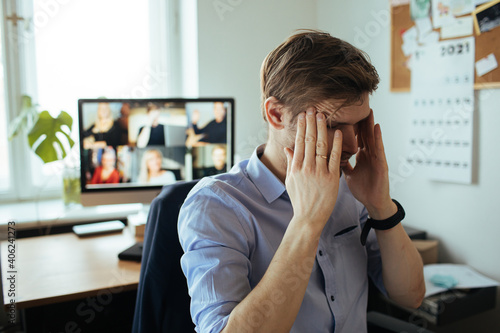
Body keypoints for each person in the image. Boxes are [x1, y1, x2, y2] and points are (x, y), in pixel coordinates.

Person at [178, 30, 425, 333]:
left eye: (358, 123)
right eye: (333, 125)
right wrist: (307, 222)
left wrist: (380, 205)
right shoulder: (216, 205)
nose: (351, 144)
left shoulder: (350, 186)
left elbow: (411, 296)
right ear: (276, 114)